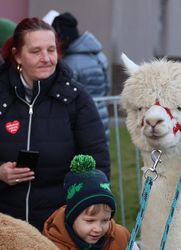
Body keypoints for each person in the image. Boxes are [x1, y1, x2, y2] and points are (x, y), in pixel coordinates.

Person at [0, 17, 110, 231]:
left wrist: (86, 215)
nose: (46, 58)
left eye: (51, 50)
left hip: (58, 226)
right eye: (35, 51)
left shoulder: (77, 99)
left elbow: (97, 161)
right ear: (17, 55)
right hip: (5, 225)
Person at [43, 154, 132, 250]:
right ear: (72, 217)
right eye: (90, 221)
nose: (98, 229)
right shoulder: (52, 246)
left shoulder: (121, 237)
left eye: (105, 220)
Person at [51, 12, 111, 146]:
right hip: (102, 114)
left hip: (81, 118)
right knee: (100, 154)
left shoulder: (69, 63)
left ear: (62, 37)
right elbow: (107, 87)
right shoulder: (99, 55)